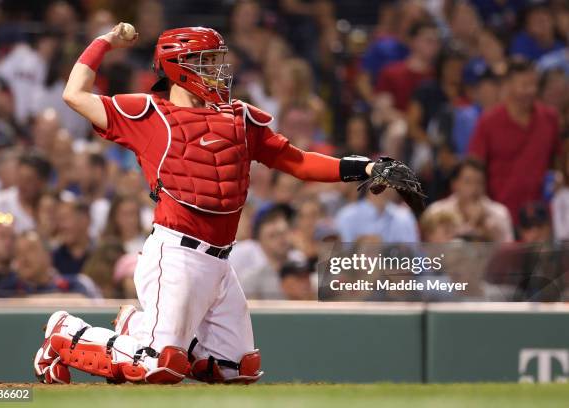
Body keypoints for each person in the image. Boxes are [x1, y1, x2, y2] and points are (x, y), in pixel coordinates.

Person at [33, 25, 421, 386]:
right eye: (206, 62)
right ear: (178, 67)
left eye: (218, 61)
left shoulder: (240, 118)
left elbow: (299, 162)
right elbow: (75, 94)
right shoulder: (149, 114)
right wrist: (105, 41)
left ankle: (139, 327)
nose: (217, 70)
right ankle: (64, 333)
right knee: (158, 364)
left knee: (237, 369)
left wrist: (368, 166)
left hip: (220, 261)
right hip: (175, 252)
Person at [468, 58, 561, 224]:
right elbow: (475, 167)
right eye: (524, 85)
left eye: (534, 85)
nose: (531, 91)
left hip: (542, 217)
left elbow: (559, 160)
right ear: (508, 85)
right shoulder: (488, 122)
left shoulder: (550, 118)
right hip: (501, 216)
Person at [422, 159, 514, 242]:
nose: (474, 188)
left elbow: (509, 252)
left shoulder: (500, 213)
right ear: (454, 184)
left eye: (479, 182)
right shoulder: (436, 211)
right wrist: (472, 224)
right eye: (468, 182)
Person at [0, 230, 94, 298]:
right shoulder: (6, 288)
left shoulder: (73, 284)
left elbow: (82, 302)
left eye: (30, 250)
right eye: (18, 252)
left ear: (48, 255)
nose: (23, 257)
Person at [375, 21, 441, 112]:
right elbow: (382, 109)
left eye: (437, 42)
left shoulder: (439, 75)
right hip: (399, 123)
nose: (434, 46)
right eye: (428, 41)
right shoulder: (391, 72)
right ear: (412, 41)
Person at [0, 152, 52, 232]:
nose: (23, 184)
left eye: (29, 180)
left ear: (42, 182)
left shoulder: (55, 205)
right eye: (20, 177)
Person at [52, 199, 92, 276]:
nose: (61, 226)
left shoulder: (101, 255)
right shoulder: (53, 259)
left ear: (84, 220)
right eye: (59, 221)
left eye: (65, 219)